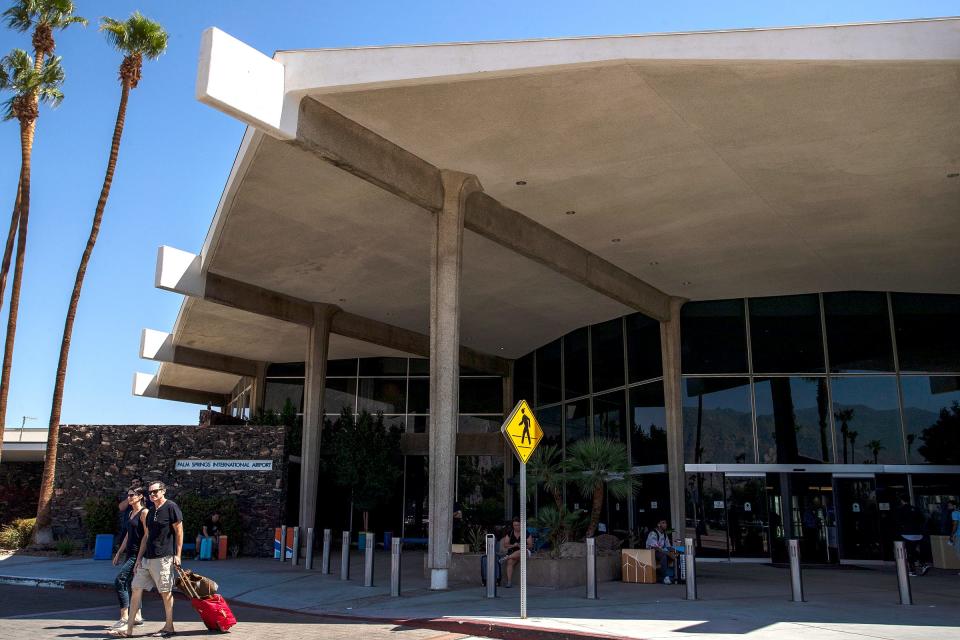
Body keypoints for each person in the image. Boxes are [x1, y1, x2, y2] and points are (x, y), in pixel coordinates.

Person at [112, 481, 183, 638]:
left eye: (155, 492)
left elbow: (179, 531)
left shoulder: (171, 507)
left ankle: (169, 626)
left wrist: (178, 555)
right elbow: (146, 536)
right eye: (150, 492)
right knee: (136, 588)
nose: (152, 495)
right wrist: (138, 559)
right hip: (146, 558)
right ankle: (129, 630)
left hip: (163, 557)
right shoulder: (151, 511)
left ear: (163, 491)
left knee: (165, 592)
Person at [110, 487, 148, 630]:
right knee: (134, 585)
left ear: (140, 497)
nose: (129, 497)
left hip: (137, 555)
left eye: (132, 495)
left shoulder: (144, 512)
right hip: (129, 554)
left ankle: (124, 617)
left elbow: (146, 535)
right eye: (128, 495)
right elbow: (128, 535)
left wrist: (139, 558)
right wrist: (119, 552)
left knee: (120, 581)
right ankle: (137, 616)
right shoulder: (131, 513)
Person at [895, 496, 930, 577]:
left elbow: (898, 521)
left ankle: (912, 570)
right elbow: (922, 519)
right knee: (913, 550)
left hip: (906, 533)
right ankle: (923, 563)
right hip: (918, 533)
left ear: (902, 500)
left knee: (909, 551)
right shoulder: (915, 509)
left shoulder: (901, 509)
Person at [499, 517, 532, 588]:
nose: (516, 527)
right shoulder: (510, 533)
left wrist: (522, 545)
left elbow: (530, 545)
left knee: (521, 551)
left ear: (521, 525)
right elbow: (505, 545)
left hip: (524, 552)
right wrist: (513, 545)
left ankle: (506, 558)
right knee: (510, 562)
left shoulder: (525, 532)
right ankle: (509, 582)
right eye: (514, 525)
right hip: (513, 553)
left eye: (518, 525)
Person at [646, 519, 678, 584]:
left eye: (665, 523)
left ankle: (676, 575)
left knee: (676, 555)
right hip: (651, 552)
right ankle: (665, 577)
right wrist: (669, 554)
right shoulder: (653, 533)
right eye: (663, 523)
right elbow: (656, 548)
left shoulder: (664, 534)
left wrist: (676, 551)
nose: (665, 524)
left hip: (661, 551)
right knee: (664, 556)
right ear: (659, 524)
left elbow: (668, 547)